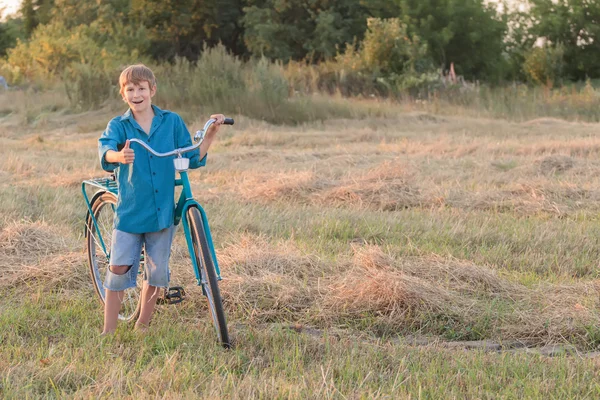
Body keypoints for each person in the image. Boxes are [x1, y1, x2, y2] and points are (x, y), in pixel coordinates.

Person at [98, 64, 225, 334]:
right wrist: (118, 156)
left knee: (157, 270)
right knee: (119, 266)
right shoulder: (120, 125)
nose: (136, 94)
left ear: (152, 90)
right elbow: (106, 149)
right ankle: (108, 331)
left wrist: (211, 132)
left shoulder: (171, 121)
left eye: (141, 88)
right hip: (131, 209)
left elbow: (192, 156)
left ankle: (143, 324)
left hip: (161, 210)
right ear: (123, 94)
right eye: (130, 89)